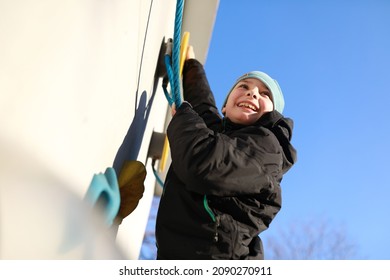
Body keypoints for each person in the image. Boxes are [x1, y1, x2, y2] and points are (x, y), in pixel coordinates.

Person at [155, 46, 297, 260]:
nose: (253, 93)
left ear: (273, 114)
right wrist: (192, 66)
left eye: (265, 94)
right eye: (244, 86)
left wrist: (184, 116)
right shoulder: (220, 134)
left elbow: (201, 162)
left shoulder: (268, 149)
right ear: (225, 107)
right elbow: (203, 104)